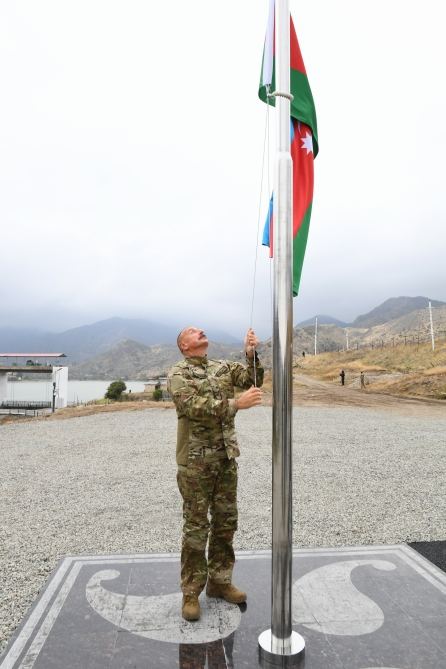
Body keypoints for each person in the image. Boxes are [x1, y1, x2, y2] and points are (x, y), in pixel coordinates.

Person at [168, 326, 263, 622]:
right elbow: (192, 406)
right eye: (194, 332)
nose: (201, 332)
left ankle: (220, 582)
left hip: (224, 458)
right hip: (196, 463)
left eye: (201, 330)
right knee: (196, 528)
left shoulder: (222, 368)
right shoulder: (178, 374)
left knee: (225, 522)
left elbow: (253, 379)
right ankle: (191, 593)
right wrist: (236, 403)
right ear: (184, 346)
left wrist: (250, 354)